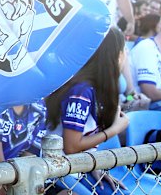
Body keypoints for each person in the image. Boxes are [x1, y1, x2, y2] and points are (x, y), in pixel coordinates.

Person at [46, 27, 130, 194]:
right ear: (115, 55)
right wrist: (114, 130)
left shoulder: (98, 88)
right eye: (123, 49)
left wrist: (92, 164)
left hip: (78, 166)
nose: (126, 54)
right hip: (55, 171)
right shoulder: (81, 90)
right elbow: (71, 146)